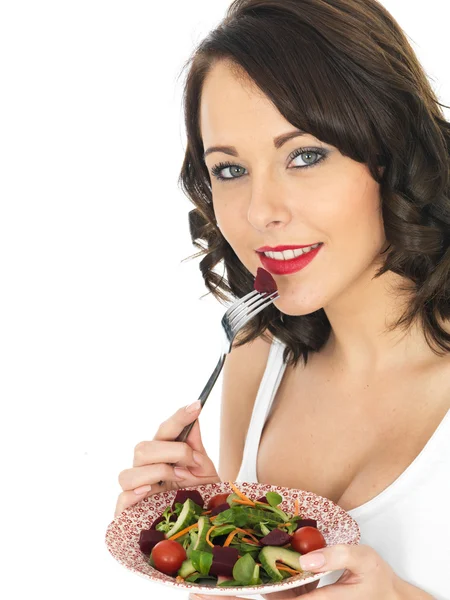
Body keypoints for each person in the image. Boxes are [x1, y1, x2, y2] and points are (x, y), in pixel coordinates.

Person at [115, 0, 450, 598]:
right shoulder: (258, 356)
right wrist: (208, 544)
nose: (259, 213)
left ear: (390, 150)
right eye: (230, 170)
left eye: (305, 155)